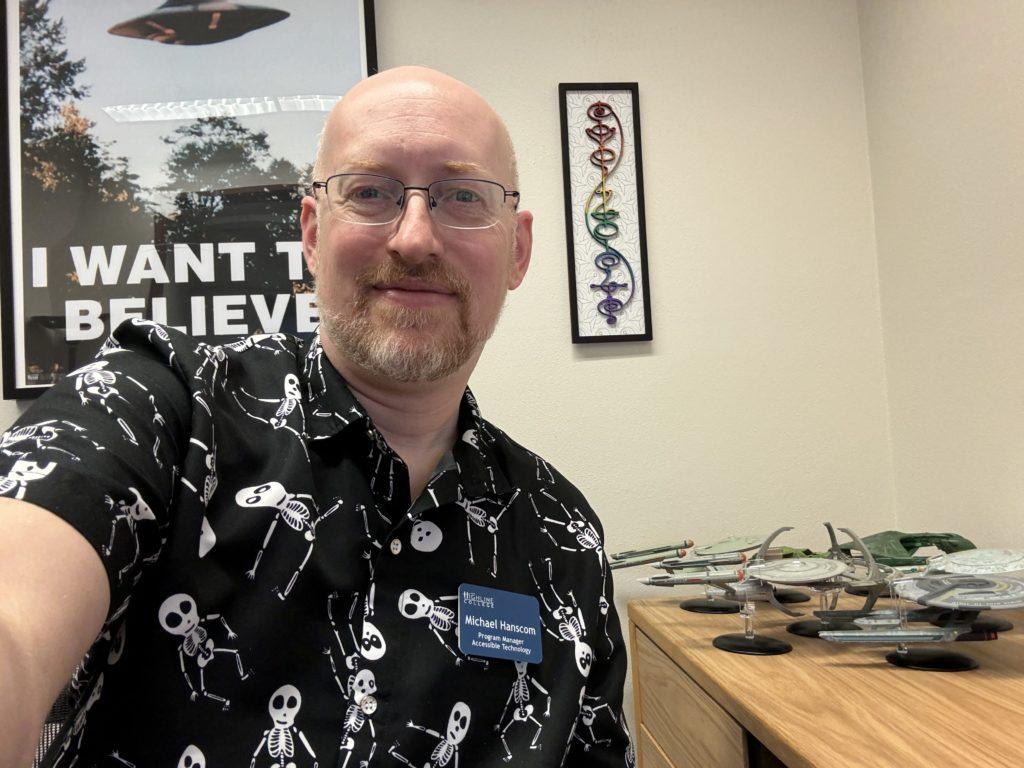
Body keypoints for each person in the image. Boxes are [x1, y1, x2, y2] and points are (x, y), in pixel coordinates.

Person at [0, 67, 633, 768]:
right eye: (370, 192)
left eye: (461, 196)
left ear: (517, 250)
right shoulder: (164, 408)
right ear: (311, 233)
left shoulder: (562, 536)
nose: (416, 239)